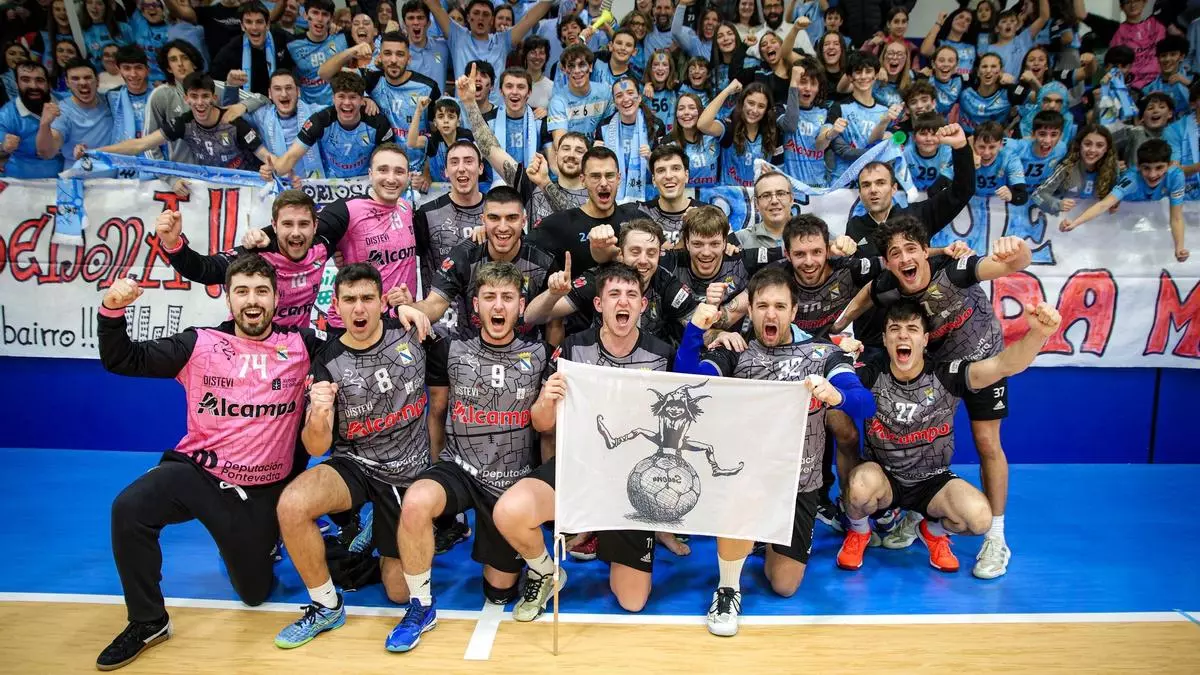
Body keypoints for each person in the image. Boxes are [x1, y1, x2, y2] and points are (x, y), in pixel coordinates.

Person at [94, 255, 324, 670]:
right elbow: (122, 359)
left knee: (254, 594)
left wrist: (404, 313)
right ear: (228, 299)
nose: (252, 301)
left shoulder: (303, 346)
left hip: (261, 492)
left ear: (277, 299)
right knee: (129, 508)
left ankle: (256, 540)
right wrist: (112, 310)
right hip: (197, 475)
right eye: (242, 291)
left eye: (261, 291)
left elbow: (358, 343)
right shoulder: (199, 344)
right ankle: (148, 621)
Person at [674, 265, 874, 636]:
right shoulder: (736, 352)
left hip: (800, 484)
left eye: (780, 306)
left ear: (794, 311)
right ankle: (728, 588)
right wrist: (696, 331)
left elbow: (865, 404)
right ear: (749, 310)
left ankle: (761, 540)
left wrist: (838, 395)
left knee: (784, 585)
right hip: (748, 480)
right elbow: (687, 384)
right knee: (743, 489)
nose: (771, 314)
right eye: (763, 306)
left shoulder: (822, 355)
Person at [832, 217, 1034, 579]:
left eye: (911, 249)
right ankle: (917, 515)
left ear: (926, 251)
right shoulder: (890, 287)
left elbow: (1010, 264)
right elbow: (867, 295)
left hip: (984, 363)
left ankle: (996, 537)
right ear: (888, 262)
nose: (904, 258)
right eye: (895, 253)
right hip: (943, 369)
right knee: (917, 432)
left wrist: (1017, 251)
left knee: (988, 442)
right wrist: (836, 326)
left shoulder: (955, 271)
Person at [496, 261, 677, 619]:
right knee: (509, 511)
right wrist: (547, 398)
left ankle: (608, 536)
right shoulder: (573, 348)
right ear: (598, 304)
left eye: (631, 295)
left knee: (632, 601)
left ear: (642, 305)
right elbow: (542, 423)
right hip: (579, 466)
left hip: (633, 480)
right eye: (614, 294)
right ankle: (546, 571)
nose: (622, 302)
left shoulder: (662, 354)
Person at [390, 261, 552, 652]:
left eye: (508, 298)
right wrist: (403, 307)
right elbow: (436, 407)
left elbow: (547, 424)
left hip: (509, 482)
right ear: (475, 304)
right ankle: (420, 606)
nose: (498, 306)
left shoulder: (540, 352)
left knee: (499, 592)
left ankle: (540, 569)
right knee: (416, 501)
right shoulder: (450, 346)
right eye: (489, 297)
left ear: (521, 306)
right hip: (459, 468)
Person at [273, 263, 434, 649]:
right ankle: (326, 606)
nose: (359, 309)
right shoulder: (327, 361)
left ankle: (382, 532)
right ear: (336, 305)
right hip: (355, 464)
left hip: (405, 471)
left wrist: (412, 308)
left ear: (381, 302)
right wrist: (319, 414)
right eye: (349, 300)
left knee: (398, 592)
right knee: (292, 505)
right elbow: (316, 448)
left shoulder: (410, 332)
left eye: (366, 299)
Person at [837, 295, 1061, 572]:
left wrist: (1038, 334)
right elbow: (824, 378)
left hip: (932, 482)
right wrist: (840, 356)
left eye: (912, 329)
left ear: (925, 339)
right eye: (895, 329)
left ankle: (931, 531)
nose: (903, 335)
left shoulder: (947, 375)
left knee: (979, 519)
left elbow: (1005, 365)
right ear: (885, 339)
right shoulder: (868, 376)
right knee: (859, 487)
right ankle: (859, 531)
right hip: (884, 477)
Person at [402, 185, 557, 341]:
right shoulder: (463, 256)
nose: (503, 227)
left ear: (523, 221)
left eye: (511, 218)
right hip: (471, 351)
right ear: (483, 220)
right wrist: (408, 309)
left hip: (526, 351)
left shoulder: (543, 261)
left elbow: (554, 323)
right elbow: (434, 304)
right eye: (494, 218)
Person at [161, 190, 333, 328]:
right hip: (247, 346)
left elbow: (346, 208)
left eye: (303, 224)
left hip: (296, 349)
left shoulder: (323, 245)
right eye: (287, 224)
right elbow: (204, 269)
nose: (296, 233)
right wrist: (173, 243)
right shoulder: (255, 254)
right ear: (274, 226)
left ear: (315, 225)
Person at [525, 219, 702, 346]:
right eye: (635, 252)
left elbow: (701, 326)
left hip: (650, 368)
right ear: (621, 254)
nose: (643, 260)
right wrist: (552, 294)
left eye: (651, 253)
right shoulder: (600, 279)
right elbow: (531, 317)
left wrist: (714, 328)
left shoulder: (666, 284)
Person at [96, 72, 275, 172]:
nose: (200, 102)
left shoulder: (233, 122)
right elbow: (140, 144)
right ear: (186, 99)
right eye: (194, 96)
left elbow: (266, 157)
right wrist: (96, 152)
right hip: (214, 186)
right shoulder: (183, 123)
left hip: (247, 184)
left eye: (205, 96)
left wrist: (273, 167)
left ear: (214, 98)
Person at [844, 122, 974, 257]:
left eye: (880, 183)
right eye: (866, 185)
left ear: (894, 188)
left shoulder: (919, 215)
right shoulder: (855, 226)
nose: (873, 190)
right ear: (860, 193)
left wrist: (960, 148)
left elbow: (962, 191)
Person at [1061, 139, 1189, 263]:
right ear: (1138, 166)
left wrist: (1179, 248)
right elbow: (1103, 205)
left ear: (1169, 165)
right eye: (1146, 168)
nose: (1152, 174)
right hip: (1118, 212)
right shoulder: (1132, 179)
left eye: (1159, 168)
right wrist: (1074, 223)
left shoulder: (1176, 176)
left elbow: (1176, 217)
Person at [526, 146, 644, 272]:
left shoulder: (636, 219)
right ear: (583, 180)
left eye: (609, 175)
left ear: (618, 178)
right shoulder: (558, 224)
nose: (604, 183)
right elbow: (519, 250)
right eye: (595, 176)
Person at [270, 71, 394, 179]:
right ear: (333, 98)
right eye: (341, 96)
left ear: (362, 100)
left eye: (352, 97)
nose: (347, 102)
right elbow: (291, 156)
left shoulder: (378, 124)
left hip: (367, 182)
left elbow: (389, 162)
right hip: (331, 184)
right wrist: (273, 170)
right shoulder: (320, 121)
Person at [412, 140, 487, 296]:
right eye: (454, 162)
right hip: (442, 309)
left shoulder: (497, 214)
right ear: (445, 171)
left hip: (490, 306)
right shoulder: (426, 214)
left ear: (480, 168)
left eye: (468, 161)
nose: (461, 168)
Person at [424, 0, 551, 78]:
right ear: (468, 17)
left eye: (485, 14)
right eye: (476, 13)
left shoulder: (502, 41)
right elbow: (436, 7)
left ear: (491, 20)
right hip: (464, 109)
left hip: (495, 111)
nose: (480, 18)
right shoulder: (457, 36)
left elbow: (530, 18)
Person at [245, 69, 326, 178]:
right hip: (280, 184)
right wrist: (232, 88)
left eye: (288, 88)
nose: (284, 94)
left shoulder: (317, 113)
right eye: (277, 89)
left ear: (298, 91)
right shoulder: (261, 115)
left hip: (316, 184)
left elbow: (341, 111)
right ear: (270, 94)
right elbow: (230, 115)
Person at [209, 2, 297, 98]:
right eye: (249, 22)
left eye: (259, 22)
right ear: (242, 26)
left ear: (267, 24)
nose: (254, 27)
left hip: (282, 99)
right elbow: (214, 84)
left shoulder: (284, 40)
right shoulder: (231, 50)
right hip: (246, 103)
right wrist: (229, 83)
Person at [34, 58, 112, 161]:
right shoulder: (62, 111)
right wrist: (44, 125)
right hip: (78, 170)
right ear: (67, 82)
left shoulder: (111, 101)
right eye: (75, 78)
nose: (83, 83)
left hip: (113, 169)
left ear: (97, 80)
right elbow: (47, 153)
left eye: (87, 77)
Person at [1032, 124, 1119, 216]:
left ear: (1106, 149)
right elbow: (1037, 195)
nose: (1092, 150)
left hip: (1095, 221)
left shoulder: (1113, 168)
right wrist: (1057, 204)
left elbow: (1116, 195)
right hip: (1060, 219)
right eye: (1087, 144)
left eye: (1099, 145)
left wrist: (1115, 202)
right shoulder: (1066, 167)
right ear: (1079, 145)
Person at [0, 61, 60, 177]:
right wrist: (3, 145)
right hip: (21, 180)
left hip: (65, 177)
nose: (33, 86)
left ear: (48, 84)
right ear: (16, 84)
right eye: (25, 80)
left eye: (39, 80)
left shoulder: (64, 102)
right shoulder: (6, 114)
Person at [283, 0, 348, 105]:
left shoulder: (342, 37)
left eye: (325, 14)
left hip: (339, 106)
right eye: (315, 12)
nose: (320, 19)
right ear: (305, 15)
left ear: (331, 19)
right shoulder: (292, 45)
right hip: (308, 107)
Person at [635, 145, 702, 246]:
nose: (668, 176)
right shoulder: (639, 212)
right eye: (661, 170)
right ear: (653, 180)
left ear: (686, 175)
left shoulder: (706, 213)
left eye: (675, 168)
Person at [547, 43, 616, 142]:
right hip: (573, 150)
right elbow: (560, 142)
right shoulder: (557, 101)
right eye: (571, 66)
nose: (577, 71)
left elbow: (611, 131)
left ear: (591, 67)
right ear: (564, 70)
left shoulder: (605, 92)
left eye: (582, 65)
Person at [732, 170, 797, 249]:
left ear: (791, 199)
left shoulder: (810, 234)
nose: (774, 201)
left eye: (780, 194)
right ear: (756, 203)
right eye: (766, 196)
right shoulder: (739, 241)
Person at [105, 46, 154, 146]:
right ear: (119, 70)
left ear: (147, 70)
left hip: (158, 153)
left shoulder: (161, 95)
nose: (133, 74)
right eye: (127, 68)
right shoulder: (112, 97)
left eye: (138, 68)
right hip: (124, 153)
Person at [402, 1, 451, 86]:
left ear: (428, 23)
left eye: (420, 18)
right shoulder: (399, 53)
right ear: (404, 24)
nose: (416, 22)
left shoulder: (443, 47)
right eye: (411, 18)